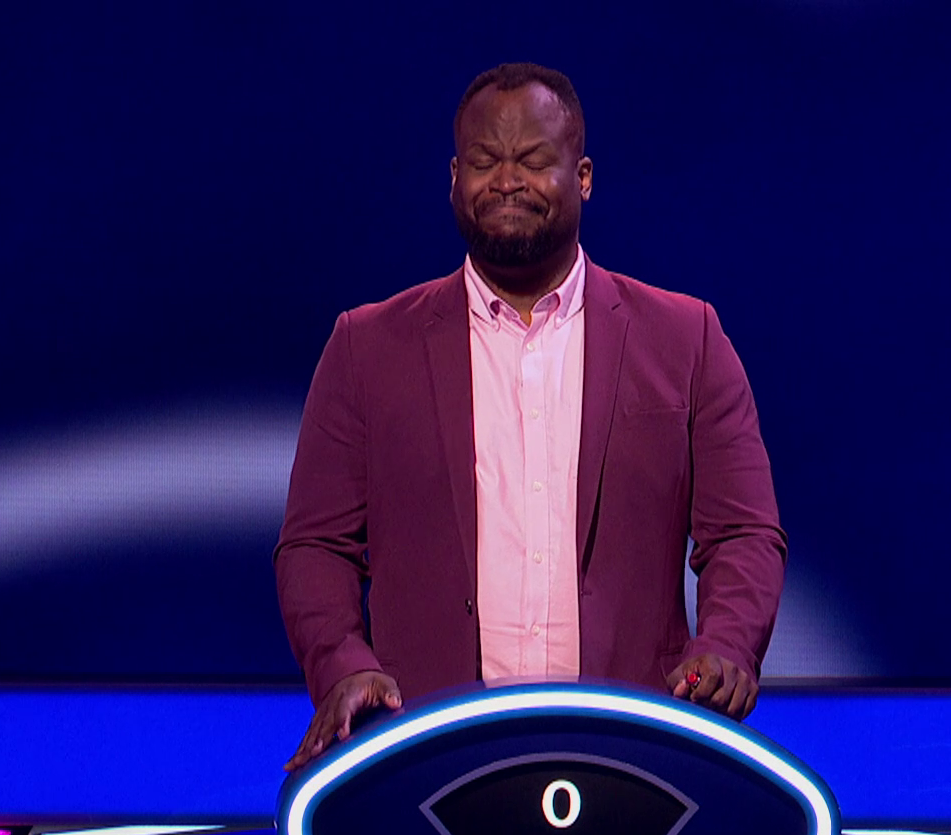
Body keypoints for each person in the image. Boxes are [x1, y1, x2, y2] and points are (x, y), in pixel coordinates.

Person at [278, 62, 785, 770]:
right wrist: (342, 663)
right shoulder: (366, 348)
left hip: (636, 752)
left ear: (583, 177)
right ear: (454, 177)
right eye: (484, 161)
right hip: (426, 753)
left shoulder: (687, 338)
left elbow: (744, 533)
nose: (507, 181)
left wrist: (726, 646)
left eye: (533, 160)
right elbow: (316, 546)